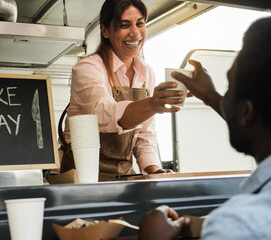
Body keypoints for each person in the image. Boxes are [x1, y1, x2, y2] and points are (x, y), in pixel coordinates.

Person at [138, 16, 271, 239]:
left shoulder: (237, 224)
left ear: (245, 112)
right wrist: (210, 96)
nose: (225, 95)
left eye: (229, 87)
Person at [58, 0, 182, 181]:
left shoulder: (146, 73)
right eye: (125, 25)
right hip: (80, 177)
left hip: (122, 177)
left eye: (140, 23)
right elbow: (104, 112)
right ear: (105, 30)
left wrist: (154, 171)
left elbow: (145, 134)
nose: (135, 32)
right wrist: (153, 103)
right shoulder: (88, 68)